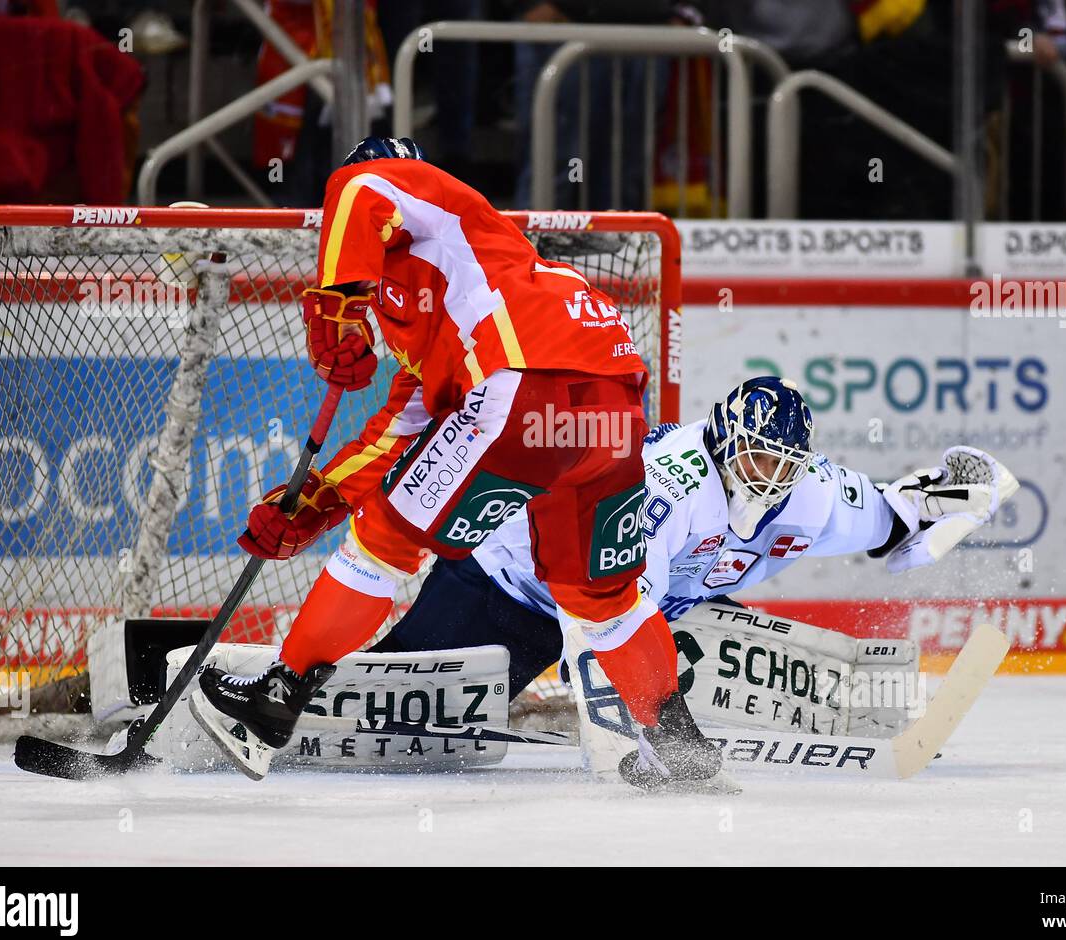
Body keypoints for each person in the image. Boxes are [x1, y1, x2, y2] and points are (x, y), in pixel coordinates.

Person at [188, 136, 716, 787]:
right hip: (609, 416)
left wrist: (336, 305)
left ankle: (275, 703)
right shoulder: (453, 305)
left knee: (383, 544)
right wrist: (318, 501)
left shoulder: (425, 201)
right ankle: (681, 746)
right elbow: (395, 431)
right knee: (601, 597)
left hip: (524, 383)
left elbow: (359, 190)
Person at [371, 377, 1014, 788]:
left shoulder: (811, 493)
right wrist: (642, 740)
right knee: (412, 728)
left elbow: (890, 518)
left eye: (787, 463)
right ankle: (303, 685)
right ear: (725, 440)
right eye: (760, 457)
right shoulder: (667, 485)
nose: (772, 476)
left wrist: (954, 496)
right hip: (514, 585)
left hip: (661, 609)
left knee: (719, 639)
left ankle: (857, 705)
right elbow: (610, 615)